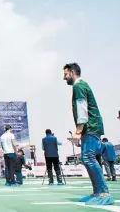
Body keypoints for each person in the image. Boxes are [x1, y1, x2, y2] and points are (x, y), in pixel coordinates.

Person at [64, 63, 113, 205]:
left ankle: (103, 192)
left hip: (91, 127)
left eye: (66, 74)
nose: (64, 77)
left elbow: (82, 108)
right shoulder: (81, 86)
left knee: (88, 157)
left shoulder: (78, 86)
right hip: (90, 127)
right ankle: (97, 192)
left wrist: (78, 131)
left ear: (73, 72)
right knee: (87, 158)